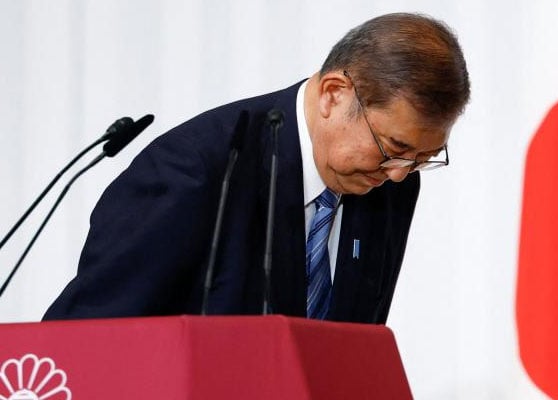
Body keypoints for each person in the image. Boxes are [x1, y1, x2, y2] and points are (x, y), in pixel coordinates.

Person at [43, 12, 471, 324]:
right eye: (394, 147)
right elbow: (87, 339)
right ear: (334, 94)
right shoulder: (196, 169)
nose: (399, 173)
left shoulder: (389, 180)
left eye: (422, 159)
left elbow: (353, 344)